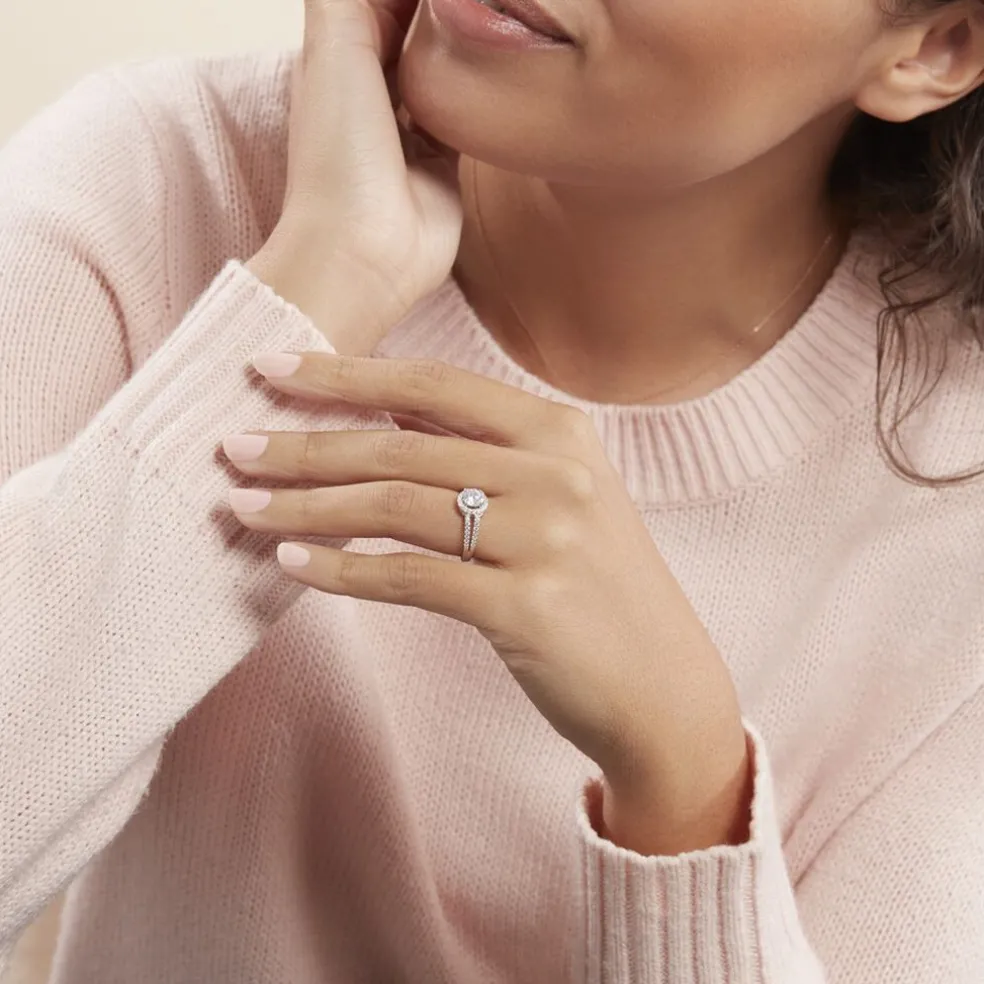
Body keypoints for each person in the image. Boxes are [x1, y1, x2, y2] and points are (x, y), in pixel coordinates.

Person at [0, 0, 982, 979]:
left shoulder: (956, 507)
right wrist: (320, 284)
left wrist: (686, 783)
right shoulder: (161, 181)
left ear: (934, 48)